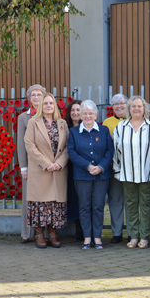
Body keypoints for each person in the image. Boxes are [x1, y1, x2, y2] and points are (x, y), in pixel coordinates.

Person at [112, 96, 150, 249]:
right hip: (127, 174)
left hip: (147, 174)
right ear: (129, 109)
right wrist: (117, 170)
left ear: (144, 108)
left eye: (139, 106)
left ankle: (145, 237)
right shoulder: (121, 127)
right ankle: (133, 236)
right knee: (131, 205)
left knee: (146, 206)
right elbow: (115, 151)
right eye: (133, 106)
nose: (136, 109)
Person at [24, 93, 69, 248]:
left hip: (57, 170)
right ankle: (39, 235)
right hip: (41, 170)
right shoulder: (33, 123)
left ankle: (52, 234)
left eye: (51, 103)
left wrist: (59, 163)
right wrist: (46, 163)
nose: (49, 106)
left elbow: (68, 147)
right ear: (40, 106)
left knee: (54, 205)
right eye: (45, 103)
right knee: (40, 204)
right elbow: (29, 145)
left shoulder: (62, 123)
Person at [68, 100, 114, 249]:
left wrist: (100, 167)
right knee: (84, 207)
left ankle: (98, 237)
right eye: (85, 113)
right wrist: (87, 166)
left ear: (96, 114)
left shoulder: (104, 130)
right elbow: (72, 152)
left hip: (101, 175)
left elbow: (109, 150)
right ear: (80, 115)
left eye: (91, 113)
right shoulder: (74, 132)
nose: (88, 116)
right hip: (82, 176)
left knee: (98, 206)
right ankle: (87, 238)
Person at [17, 84, 46, 244]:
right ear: (29, 98)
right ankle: (26, 233)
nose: (36, 98)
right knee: (28, 200)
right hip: (31, 165)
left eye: (39, 95)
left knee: (45, 200)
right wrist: (24, 167)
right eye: (33, 95)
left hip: (47, 165)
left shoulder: (48, 115)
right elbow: (21, 144)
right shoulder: (24, 118)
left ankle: (44, 233)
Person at [102, 93, 128, 243]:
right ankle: (117, 232)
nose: (119, 106)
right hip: (114, 168)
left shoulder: (134, 120)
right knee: (116, 200)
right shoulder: (107, 122)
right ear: (112, 107)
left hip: (132, 169)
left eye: (122, 103)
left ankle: (132, 232)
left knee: (131, 201)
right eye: (116, 104)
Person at [65, 99, 83, 242]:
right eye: (73, 110)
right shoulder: (65, 127)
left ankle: (86, 228)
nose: (75, 113)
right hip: (69, 167)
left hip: (84, 166)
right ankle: (78, 228)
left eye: (78, 110)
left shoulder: (88, 127)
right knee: (74, 197)